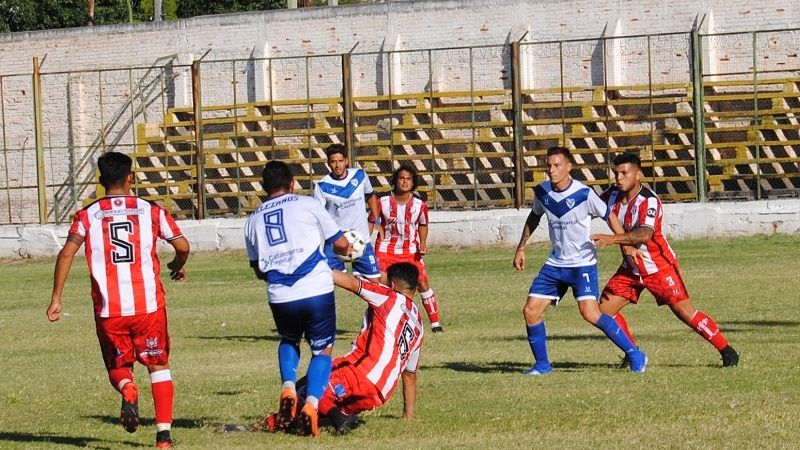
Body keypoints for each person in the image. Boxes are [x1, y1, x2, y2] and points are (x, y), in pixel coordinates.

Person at [47, 151, 189, 449]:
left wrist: (56, 297)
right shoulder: (151, 211)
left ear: (101, 181)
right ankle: (163, 437)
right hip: (148, 306)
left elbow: (67, 253)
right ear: (131, 178)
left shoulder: (87, 215)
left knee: (117, 365)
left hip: (109, 309)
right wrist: (177, 264)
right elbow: (183, 246)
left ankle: (127, 387)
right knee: (158, 365)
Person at [592, 152, 739, 367]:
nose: (619, 178)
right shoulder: (611, 196)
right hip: (631, 268)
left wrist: (612, 239)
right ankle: (633, 353)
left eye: (624, 173)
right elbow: (588, 204)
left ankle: (727, 351)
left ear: (638, 175)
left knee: (685, 313)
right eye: (616, 173)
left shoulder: (648, 200)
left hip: (659, 266)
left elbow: (645, 234)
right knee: (603, 312)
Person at [513, 146, 647, 375]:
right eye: (548, 166)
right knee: (531, 311)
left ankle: (635, 353)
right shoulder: (542, 192)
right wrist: (521, 247)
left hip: (582, 263)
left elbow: (610, 216)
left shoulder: (584, 194)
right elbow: (534, 216)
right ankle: (542, 365)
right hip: (556, 263)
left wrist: (625, 246)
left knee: (591, 313)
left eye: (557, 165)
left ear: (569, 167)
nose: (551, 170)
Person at [244, 160, 351, 438]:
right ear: (292, 184)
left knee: (289, 339)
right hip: (315, 288)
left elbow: (258, 269)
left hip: (280, 294)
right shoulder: (308, 204)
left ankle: (288, 388)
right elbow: (340, 244)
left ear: (263, 187)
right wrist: (349, 249)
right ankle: (312, 404)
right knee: (322, 350)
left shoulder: (252, 220)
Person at [266, 262, 424, 435]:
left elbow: (351, 283)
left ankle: (337, 418)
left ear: (392, 285)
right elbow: (410, 375)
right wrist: (408, 416)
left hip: (359, 375)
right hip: (379, 393)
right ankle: (327, 416)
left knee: (305, 389)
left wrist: (314, 268)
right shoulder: (419, 326)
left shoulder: (389, 296)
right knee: (312, 408)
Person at [375, 164, 443, 332]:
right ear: (395, 180)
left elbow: (423, 224)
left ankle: (435, 324)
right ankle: (382, 322)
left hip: (410, 251)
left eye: (408, 179)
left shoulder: (419, 204)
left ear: (413, 183)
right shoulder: (382, 202)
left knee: (422, 283)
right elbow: (372, 221)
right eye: (401, 178)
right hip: (386, 250)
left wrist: (423, 242)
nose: (404, 182)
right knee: (383, 285)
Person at [313, 144, 383, 282]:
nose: (337, 165)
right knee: (329, 282)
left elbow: (370, 195)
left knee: (376, 283)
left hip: (361, 240)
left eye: (340, 161)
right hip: (335, 243)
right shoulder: (322, 186)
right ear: (328, 163)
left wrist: (376, 220)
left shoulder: (360, 175)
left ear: (346, 160)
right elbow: (319, 215)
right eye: (333, 162)